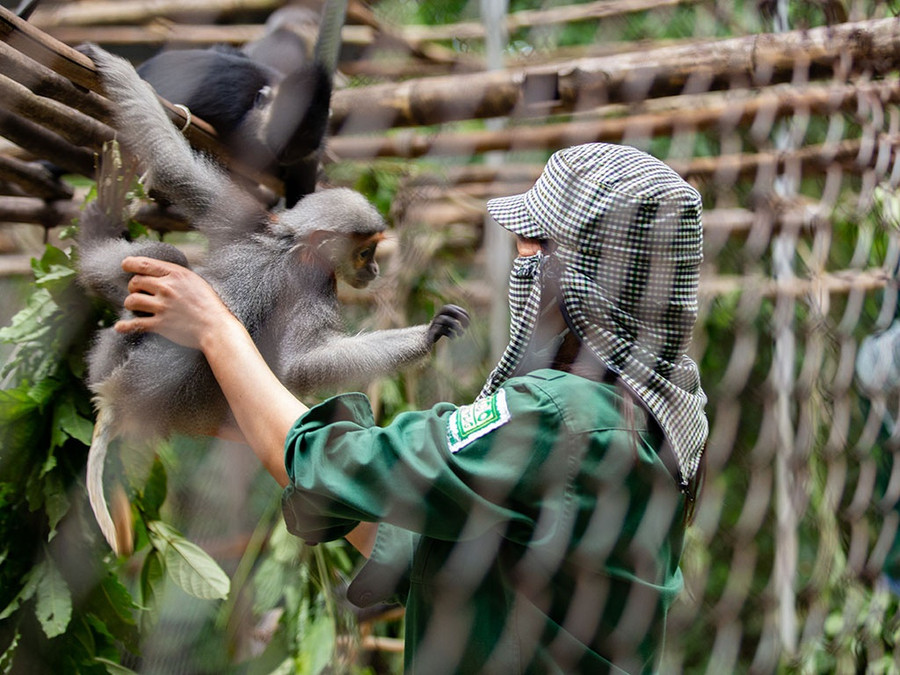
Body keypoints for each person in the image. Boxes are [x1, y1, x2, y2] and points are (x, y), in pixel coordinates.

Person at [115, 142, 709, 673]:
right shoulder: (647, 416)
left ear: (577, 271)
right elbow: (435, 548)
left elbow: (339, 464)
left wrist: (216, 328)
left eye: (532, 243)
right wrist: (262, 423)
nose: (519, 260)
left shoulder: (560, 414)